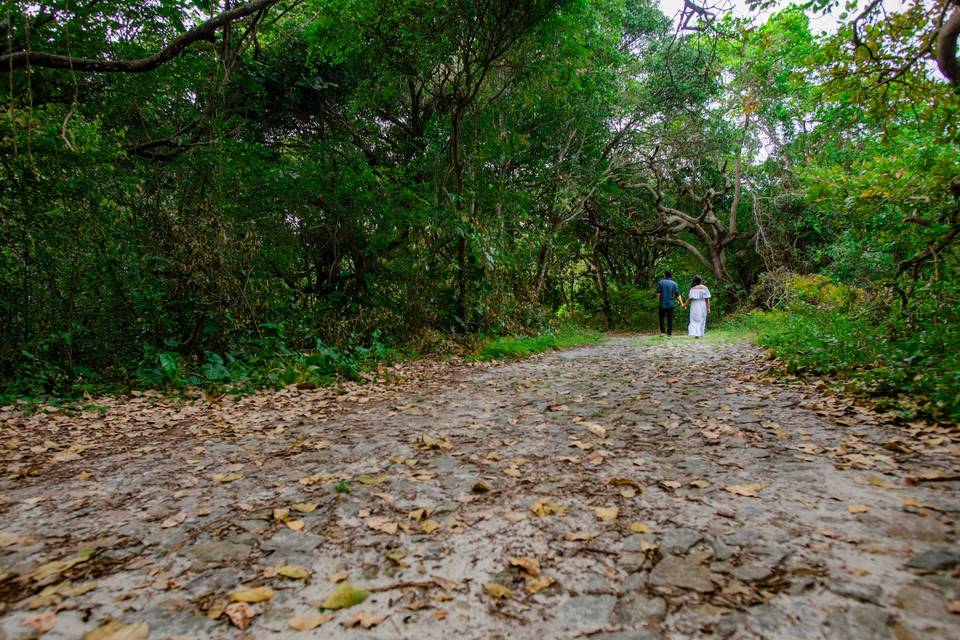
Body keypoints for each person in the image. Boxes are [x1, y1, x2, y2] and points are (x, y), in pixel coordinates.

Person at [655, 271, 683, 336]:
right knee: (670, 318)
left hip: (662, 304)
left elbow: (658, 293)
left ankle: (663, 332)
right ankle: (669, 333)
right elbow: (677, 294)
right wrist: (681, 303)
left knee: (661, 318)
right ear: (671, 276)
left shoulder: (660, 282)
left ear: (664, 275)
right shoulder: (674, 283)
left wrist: (657, 301)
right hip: (670, 304)